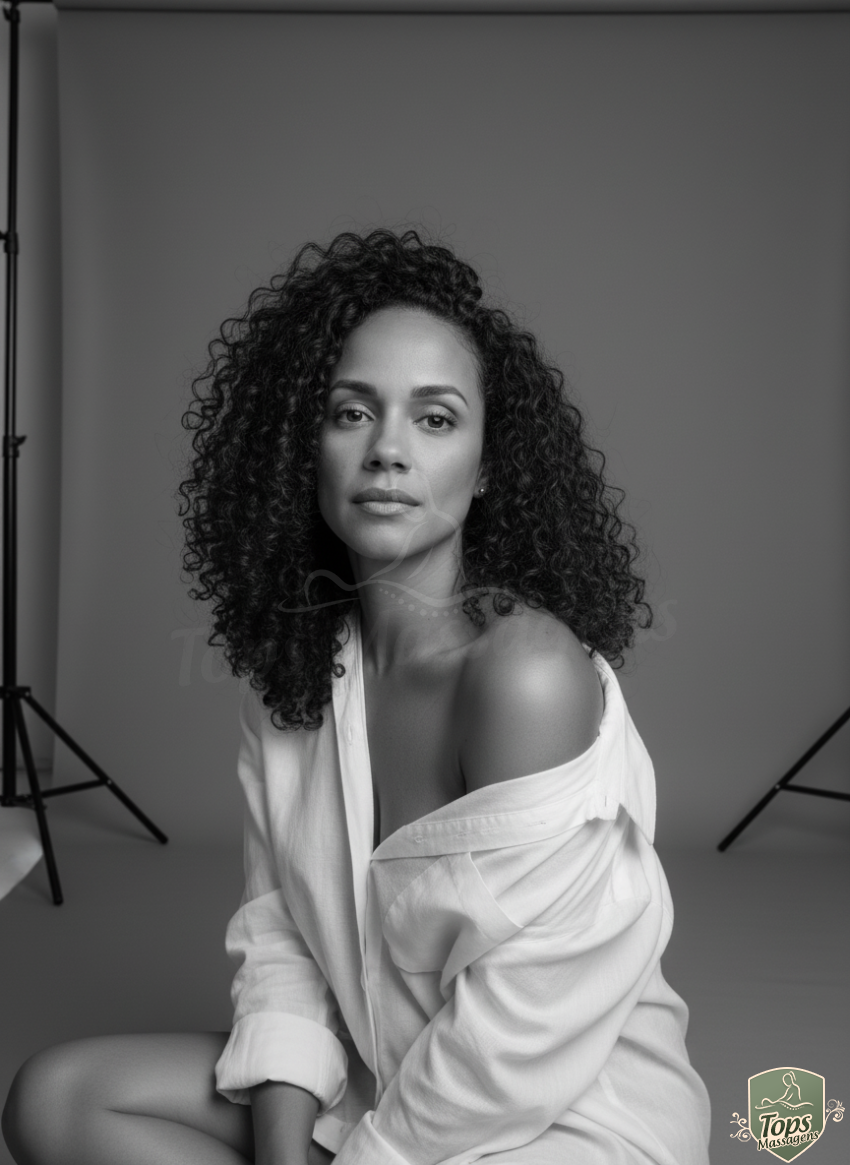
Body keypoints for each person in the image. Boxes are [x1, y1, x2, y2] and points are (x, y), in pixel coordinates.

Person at [2, 228, 711, 1165]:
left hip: (558, 1117)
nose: (387, 451)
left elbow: (519, 1040)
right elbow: (283, 944)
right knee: (57, 1099)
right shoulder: (296, 667)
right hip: (385, 1076)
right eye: (351, 412)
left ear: (487, 467)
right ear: (306, 446)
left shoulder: (526, 675)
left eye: (436, 418)